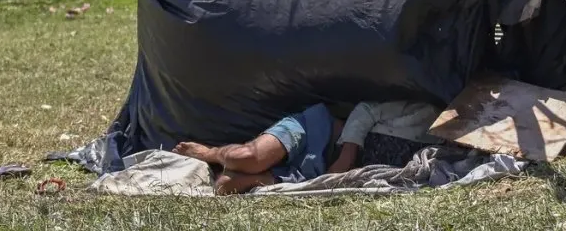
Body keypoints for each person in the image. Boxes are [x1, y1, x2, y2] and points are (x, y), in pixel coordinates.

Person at [174, 101, 439, 195]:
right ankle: (211, 153)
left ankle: (260, 178)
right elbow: (366, 110)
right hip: (314, 131)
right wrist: (348, 155)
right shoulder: (427, 113)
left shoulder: (442, 151)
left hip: (316, 172)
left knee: (224, 187)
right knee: (248, 157)